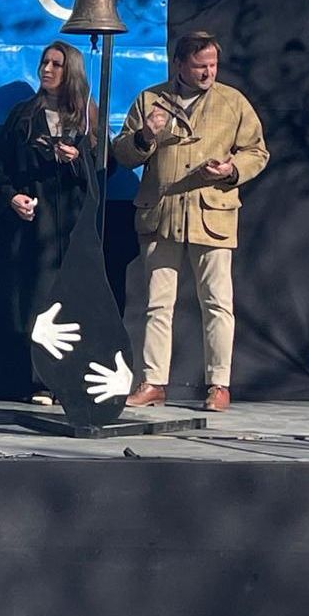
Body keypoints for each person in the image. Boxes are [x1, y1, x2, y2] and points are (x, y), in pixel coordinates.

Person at [113, 31, 268, 412]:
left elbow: (257, 151)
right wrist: (146, 135)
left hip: (212, 214)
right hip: (161, 213)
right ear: (179, 64)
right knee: (157, 304)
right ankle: (153, 382)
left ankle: (218, 384)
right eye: (200, 66)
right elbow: (123, 154)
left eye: (213, 65)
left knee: (217, 303)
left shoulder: (232, 102)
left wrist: (232, 170)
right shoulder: (151, 100)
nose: (208, 73)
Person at [0, 40, 96, 406]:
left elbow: (103, 173)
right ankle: (42, 380)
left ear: (71, 71)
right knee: (39, 302)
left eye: (56, 64)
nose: (47, 69)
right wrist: (12, 197)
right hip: (35, 226)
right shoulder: (23, 116)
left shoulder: (87, 118)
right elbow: (1, 169)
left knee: (74, 304)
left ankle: (70, 378)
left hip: (73, 227)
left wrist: (77, 158)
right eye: (44, 63)